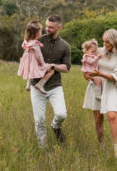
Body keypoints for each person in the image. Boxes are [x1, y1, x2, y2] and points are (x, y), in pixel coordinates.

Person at [83, 29, 117, 158]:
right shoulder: (100, 51)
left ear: (114, 41)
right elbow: (87, 59)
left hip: (111, 87)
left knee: (112, 116)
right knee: (98, 119)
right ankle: (101, 145)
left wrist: (100, 74)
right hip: (96, 86)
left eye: (107, 42)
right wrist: (86, 74)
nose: (105, 45)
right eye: (103, 42)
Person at [30, 14, 71, 148]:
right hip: (36, 86)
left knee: (61, 114)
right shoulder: (38, 40)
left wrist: (53, 66)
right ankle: (43, 149)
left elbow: (66, 68)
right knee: (39, 121)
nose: (47, 29)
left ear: (59, 27)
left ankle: (55, 126)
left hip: (54, 86)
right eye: (46, 26)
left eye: (51, 27)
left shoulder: (65, 46)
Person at [17, 20, 55, 94]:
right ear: (36, 33)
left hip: (28, 63)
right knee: (52, 70)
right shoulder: (35, 44)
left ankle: (28, 85)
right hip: (34, 63)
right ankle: (40, 85)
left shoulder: (27, 41)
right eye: (40, 31)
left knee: (31, 70)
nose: (41, 33)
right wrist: (42, 63)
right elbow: (39, 56)